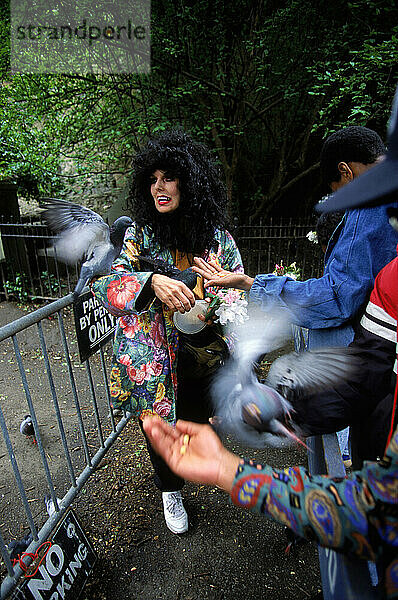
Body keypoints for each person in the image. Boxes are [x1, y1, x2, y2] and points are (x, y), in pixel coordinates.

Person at [142, 95, 398, 599]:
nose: (388, 225)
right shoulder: (390, 284)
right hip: (165, 362)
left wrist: (241, 323)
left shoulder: (219, 237)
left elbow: (368, 511)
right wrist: (279, 414)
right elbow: (372, 502)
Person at [193, 126, 398, 468]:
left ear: (346, 172)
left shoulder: (369, 203)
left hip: (373, 367)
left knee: (354, 464)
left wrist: (251, 284)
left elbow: (337, 298)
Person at [91, 129, 244, 534]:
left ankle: (194, 465)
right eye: (153, 179)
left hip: (200, 358)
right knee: (158, 427)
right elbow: (108, 287)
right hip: (151, 358)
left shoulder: (218, 240)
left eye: (169, 177)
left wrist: (213, 306)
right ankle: (169, 491)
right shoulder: (139, 233)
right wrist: (149, 282)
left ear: (188, 183)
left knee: (193, 421)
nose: (159, 187)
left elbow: (239, 301)